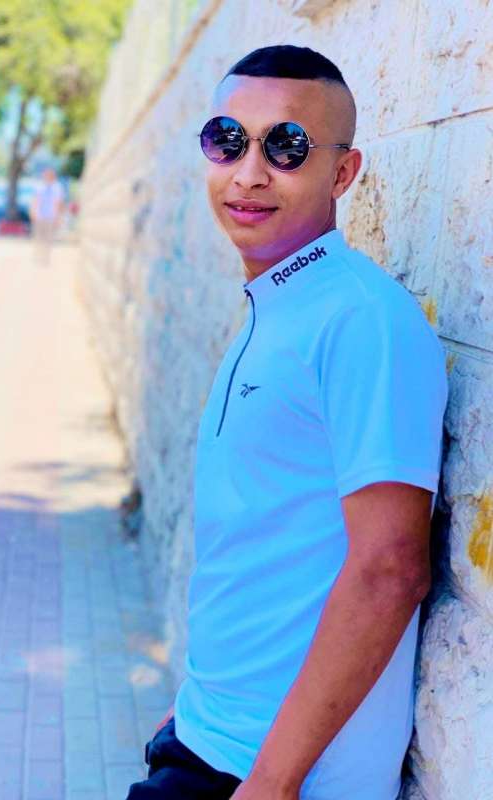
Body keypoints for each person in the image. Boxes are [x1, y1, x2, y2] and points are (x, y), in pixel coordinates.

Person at [126, 45, 448, 800]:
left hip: (276, 774)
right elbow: (264, 536)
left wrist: (272, 781)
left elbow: (390, 569)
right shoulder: (276, 303)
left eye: (287, 146)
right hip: (208, 735)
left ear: (343, 172)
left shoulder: (362, 320)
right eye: (228, 140)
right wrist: (194, 703)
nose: (249, 173)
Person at [30, 167, 65, 265]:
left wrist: (59, 217)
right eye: (46, 175)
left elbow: (59, 203)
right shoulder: (39, 187)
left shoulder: (57, 188)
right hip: (40, 216)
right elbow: (35, 200)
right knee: (38, 237)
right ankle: (38, 256)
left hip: (51, 216)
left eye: (50, 175)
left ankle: (45, 257)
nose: (48, 177)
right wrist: (33, 212)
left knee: (48, 238)